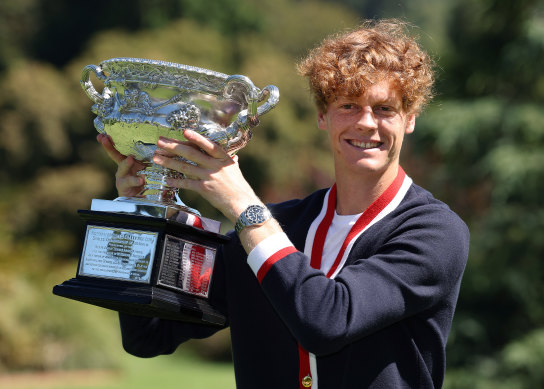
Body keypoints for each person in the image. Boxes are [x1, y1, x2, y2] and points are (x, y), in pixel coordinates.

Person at [98, 19, 469, 389]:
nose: (366, 123)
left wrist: (243, 205)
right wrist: (142, 212)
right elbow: (148, 334)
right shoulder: (272, 228)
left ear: (410, 119)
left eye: (385, 108)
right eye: (348, 106)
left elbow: (326, 320)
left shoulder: (435, 231)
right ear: (322, 116)